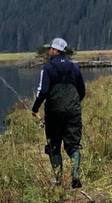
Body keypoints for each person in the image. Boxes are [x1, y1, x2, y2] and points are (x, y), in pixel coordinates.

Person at [32, 37, 86, 188]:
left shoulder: (47, 68)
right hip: (73, 112)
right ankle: (75, 177)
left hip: (54, 113)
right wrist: (73, 106)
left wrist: (35, 108)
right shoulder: (75, 67)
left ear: (55, 50)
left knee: (54, 146)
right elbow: (82, 91)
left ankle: (59, 180)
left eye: (50, 49)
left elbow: (42, 92)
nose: (49, 51)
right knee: (73, 145)